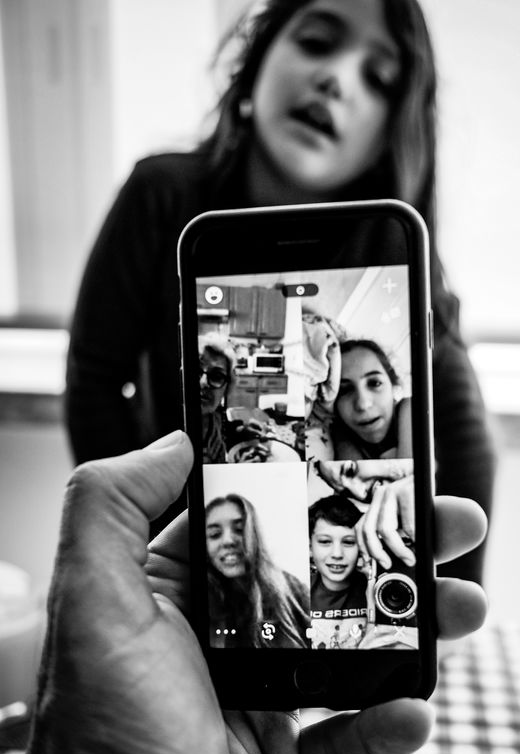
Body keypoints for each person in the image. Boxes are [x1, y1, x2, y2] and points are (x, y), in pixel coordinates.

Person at [65, 0, 496, 584]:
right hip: (181, 558)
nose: (336, 79)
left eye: (378, 78)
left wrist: (439, 596)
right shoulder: (161, 194)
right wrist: (142, 541)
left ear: (389, 136)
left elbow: (466, 441)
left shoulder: (393, 242)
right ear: (255, 63)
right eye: (316, 41)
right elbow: (94, 379)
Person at [0, 431, 488, 754]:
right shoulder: (205, 618)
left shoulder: (302, 594)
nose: (229, 540)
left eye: (239, 528)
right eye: (214, 531)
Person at [205, 493, 309, 647]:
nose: (228, 541)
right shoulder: (201, 600)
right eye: (215, 535)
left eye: (239, 529)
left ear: (255, 535)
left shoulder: (292, 590)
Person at [332, 337, 412, 459]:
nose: (363, 404)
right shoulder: (337, 437)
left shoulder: (411, 409)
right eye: (344, 390)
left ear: (392, 384)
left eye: (375, 383)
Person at [308, 494, 369, 648]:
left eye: (348, 542)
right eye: (325, 541)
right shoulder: (298, 593)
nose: (337, 554)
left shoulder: (376, 589)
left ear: (361, 546)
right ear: (310, 547)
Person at [199, 332, 237, 463]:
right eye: (195, 371)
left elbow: (224, 431)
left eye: (216, 376)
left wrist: (242, 431)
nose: (203, 383)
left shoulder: (216, 415)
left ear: (226, 387)